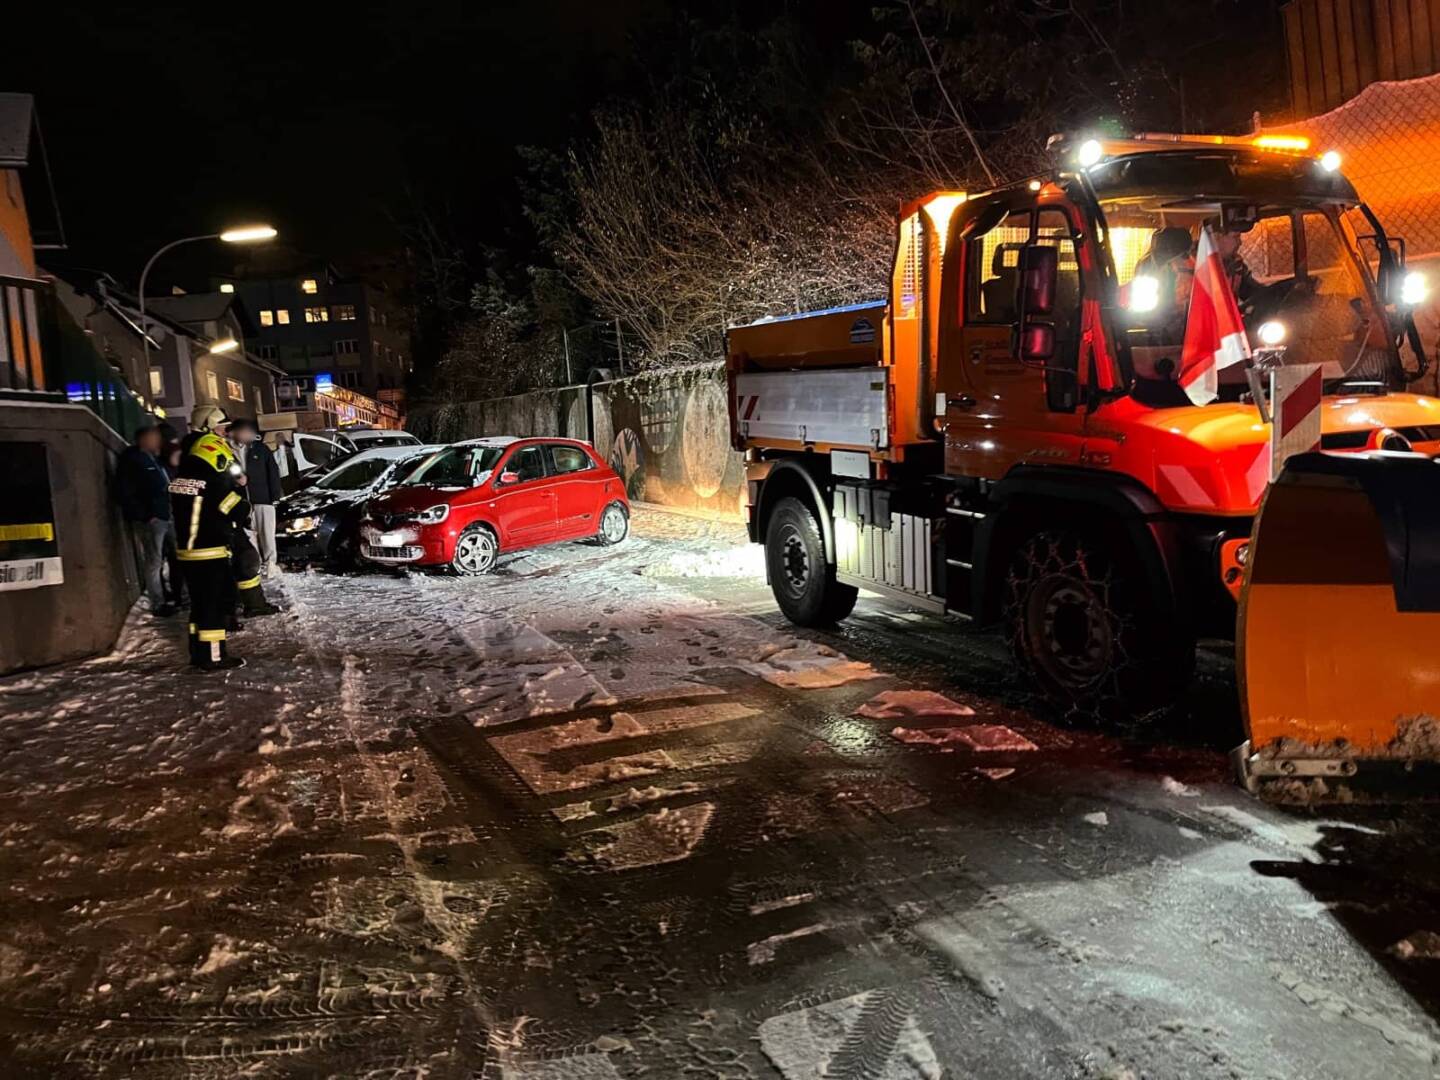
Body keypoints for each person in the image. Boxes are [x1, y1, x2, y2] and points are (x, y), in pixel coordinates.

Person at [169, 420, 249, 670]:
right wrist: (243, 502)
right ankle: (214, 656)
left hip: (186, 551)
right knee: (213, 606)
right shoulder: (211, 480)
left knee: (199, 605)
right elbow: (234, 507)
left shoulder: (181, 479)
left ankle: (198, 652)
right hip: (209, 551)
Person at [189, 406, 280, 620]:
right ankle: (233, 610)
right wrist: (239, 507)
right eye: (222, 427)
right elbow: (226, 481)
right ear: (208, 428)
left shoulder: (203, 447)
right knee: (241, 559)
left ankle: (247, 605)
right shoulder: (209, 448)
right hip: (218, 517)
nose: (225, 431)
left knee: (244, 558)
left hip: (217, 517)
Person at [116, 424, 177, 617]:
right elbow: (126, 492)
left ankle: (170, 594)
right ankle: (158, 603)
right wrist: (146, 516)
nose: (157, 441)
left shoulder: (154, 459)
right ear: (143, 439)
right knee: (154, 561)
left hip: (165, 516)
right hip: (153, 519)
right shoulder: (133, 460)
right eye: (153, 438)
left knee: (173, 556)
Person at [229, 417, 282, 578]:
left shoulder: (260, 449)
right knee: (249, 535)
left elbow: (273, 473)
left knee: (267, 535)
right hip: (242, 501)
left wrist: (274, 498)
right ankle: (255, 565)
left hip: (263, 499)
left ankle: (271, 565)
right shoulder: (229, 451)